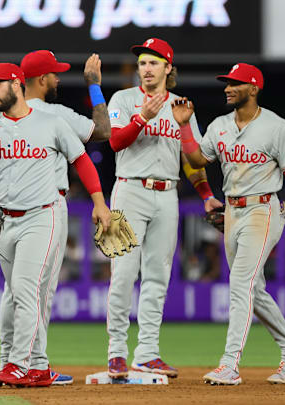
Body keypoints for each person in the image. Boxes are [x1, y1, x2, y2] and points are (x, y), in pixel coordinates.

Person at [171, 62, 285, 385]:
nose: (228, 88)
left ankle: (230, 364)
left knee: (240, 284)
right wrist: (186, 127)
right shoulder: (219, 125)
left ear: (254, 88)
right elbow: (198, 160)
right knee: (253, 289)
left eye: (235, 83)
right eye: (227, 83)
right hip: (232, 211)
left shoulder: (277, 127)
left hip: (264, 209)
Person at [0, 62, 112, 387]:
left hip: (41, 216)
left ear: (17, 83)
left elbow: (82, 160)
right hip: (3, 220)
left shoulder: (51, 121)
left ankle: (21, 364)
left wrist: (100, 201)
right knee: (16, 293)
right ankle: (30, 365)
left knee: (26, 289)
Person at [104, 38, 223, 379]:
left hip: (167, 194)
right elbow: (115, 141)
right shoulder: (124, 100)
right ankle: (116, 354)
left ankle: (148, 353)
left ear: (168, 68)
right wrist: (143, 116)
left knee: (158, 276)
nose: (146, 68)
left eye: (153, 63)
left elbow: (192, 157)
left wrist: (205, 194)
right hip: (129, 190)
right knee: (123, 274)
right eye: (142, 63)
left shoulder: (182, 107)